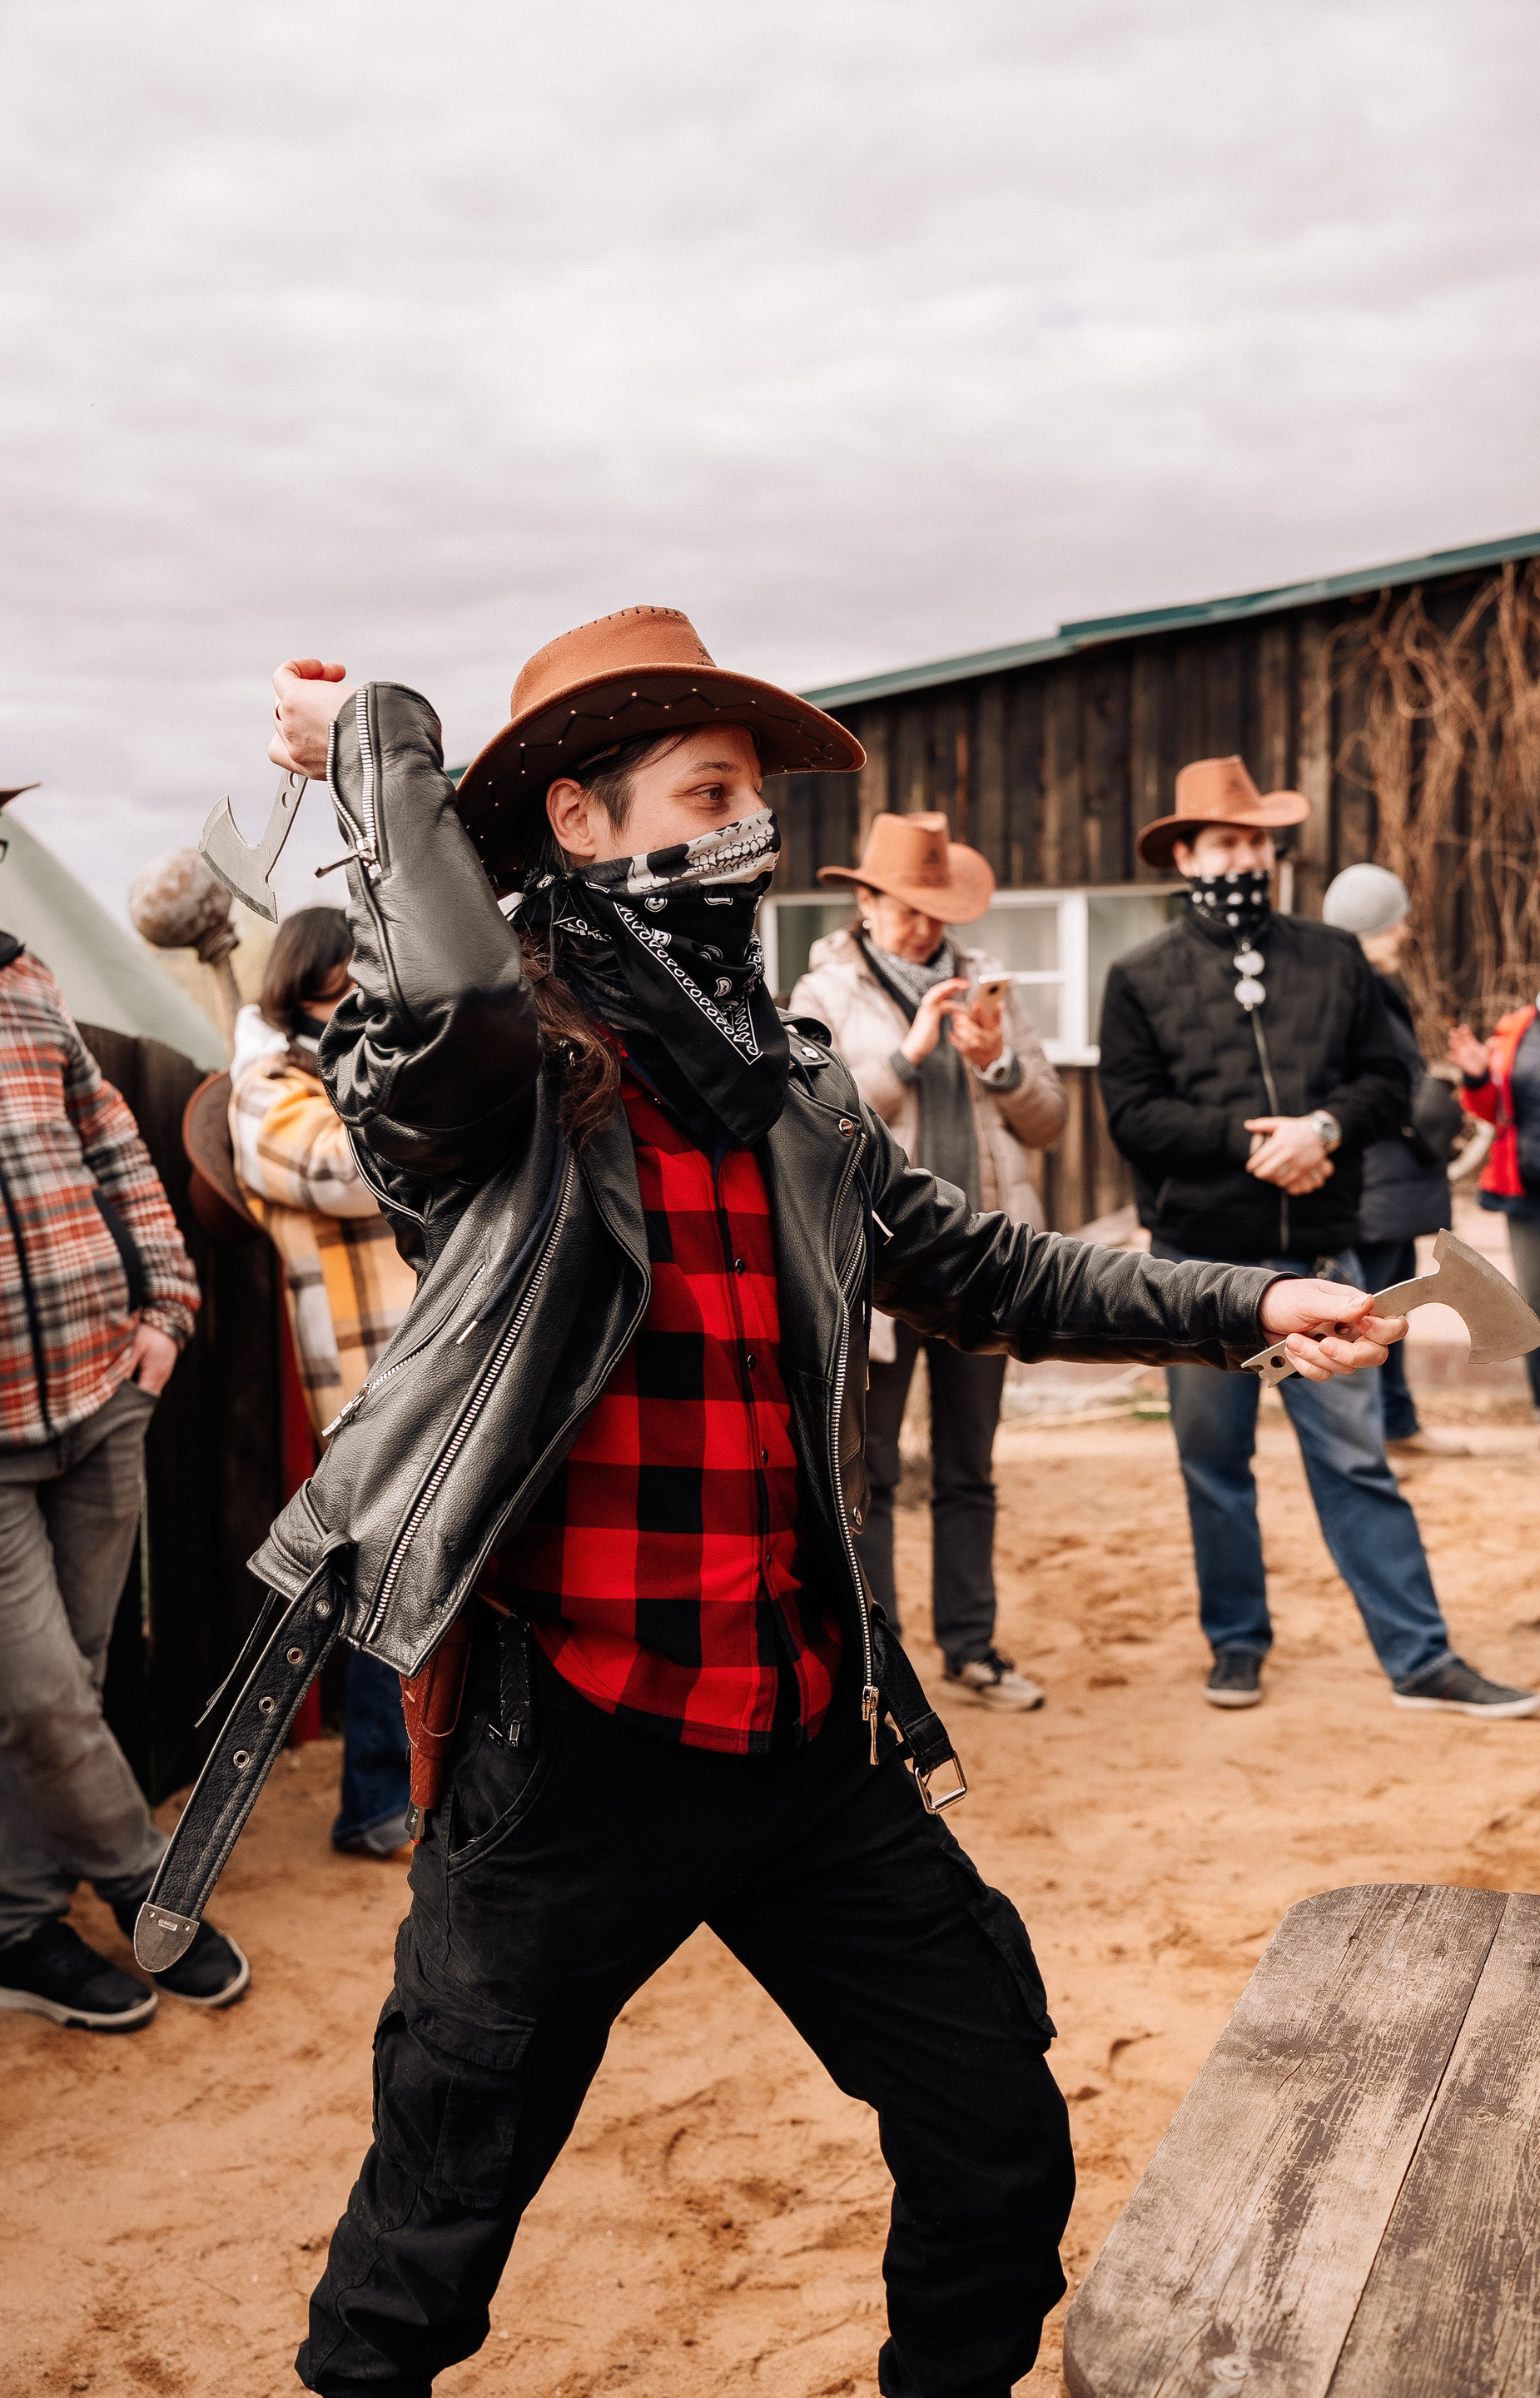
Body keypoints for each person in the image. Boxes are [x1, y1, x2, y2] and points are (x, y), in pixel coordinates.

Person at [259, 624, 1404, 2398]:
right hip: (573, 1749)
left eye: (755, 798)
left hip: (809, 1724)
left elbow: (986, 1266)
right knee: (425, 2256)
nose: (751, 832)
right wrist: (377, 742)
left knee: (995, 2144)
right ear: (578, 820)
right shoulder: (499, 1081)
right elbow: (462, 1002)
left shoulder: (785, 1082)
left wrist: (1247, 1301)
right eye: (707, 794)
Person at [1099, 754, 1534, 1720]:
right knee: (1215, 1466)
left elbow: (1388, 1083)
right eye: (1225, 842)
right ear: (1186, 856)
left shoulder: (1333, 958)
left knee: (1356, 1460)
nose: (1245, 857)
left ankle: (1421, 1659)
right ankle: (1237, 1645)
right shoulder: (1139, 975)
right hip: (1197, 1266)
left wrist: (1324, 1130)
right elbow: (1133, 1115)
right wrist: (1257, 1144)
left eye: (1257, 841)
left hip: (1323, 1260)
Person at [0, 733, 246, 2032]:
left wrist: (167, 1311)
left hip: (101, 1394)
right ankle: (150, 1889)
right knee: (47, 1697)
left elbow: (120, 1151)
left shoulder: (28, 983)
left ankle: (16, 1937)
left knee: (70, 1679)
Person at [790, 810, 1064, 1709]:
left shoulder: (989, 986)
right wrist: (904, 1062)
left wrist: (997, 1066)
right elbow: (805, 1126)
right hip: (873, 1269)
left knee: (968, 1467)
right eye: (906, 907)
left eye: (936, 909)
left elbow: (1050, 1120)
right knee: (868, 1472)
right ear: (866, 903)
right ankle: (885, 1663)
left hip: (979, 1261)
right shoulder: (821, 992)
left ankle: (972, 1648)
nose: (923, 926)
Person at [231, 906, 418, 1855]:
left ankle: (421, 1790)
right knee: (391, 1583)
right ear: (309, 987)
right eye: (350, 987)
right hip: (367, 1374)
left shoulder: (370, 1072)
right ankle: (378, 1804)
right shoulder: (269, 1088)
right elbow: (343, 1169)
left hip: (435, 1355)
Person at [1322, 863, 1469, 1459]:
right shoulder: (1355, 994)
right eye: (1394, 922)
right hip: (1377, 1181)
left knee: (1389, 1311)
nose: (1405, 932)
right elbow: (1379, 1086)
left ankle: (1396, 1426)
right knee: (1375, 1313)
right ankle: (1381, 1434)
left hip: (1392, 1182)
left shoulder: (1368, 988)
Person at [1449, 991, 1540, 1417]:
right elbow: (1495, 1111)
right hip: (1528, 1194)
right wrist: (1478, 1077)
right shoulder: (1518, 1028)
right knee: (1534, 1303)